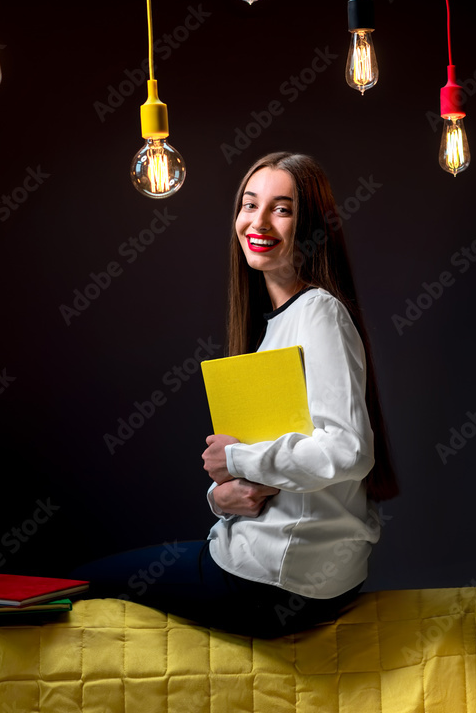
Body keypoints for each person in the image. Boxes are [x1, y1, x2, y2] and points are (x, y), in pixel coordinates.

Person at [71, 152, 398, 637]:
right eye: (250, 204)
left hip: (277, 581)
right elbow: (276, 465)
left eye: (282, 209)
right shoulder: (276, 328)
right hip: (289, 571)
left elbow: (348, 450)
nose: (258, 221)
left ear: (310, 226)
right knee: (88, 580)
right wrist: (223, 498)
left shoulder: (320, 312)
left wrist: (239, 461)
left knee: (73, 583)